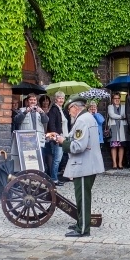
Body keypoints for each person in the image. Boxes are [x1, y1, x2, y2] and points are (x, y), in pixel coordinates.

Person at [49, 96, 104, 238]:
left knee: (83, 198)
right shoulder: (86, 118)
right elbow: (77, 138)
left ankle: (83, 228)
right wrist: (61, 138)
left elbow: (79, 146)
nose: (69, 112)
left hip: (85, 164)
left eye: (69, 109)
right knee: (81, 196)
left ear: (75, 107)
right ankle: (81, 222)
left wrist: (63, 142)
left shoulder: (82, 120)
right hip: (87, 163)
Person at [47, 91, 70, 185]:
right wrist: (56, 137)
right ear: (55, 99)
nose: (61, 100)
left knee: (59, 159)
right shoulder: (54, 110)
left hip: (64, 137)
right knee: (57, 159)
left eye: (62, 98)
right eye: (59, 98)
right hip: (58, 138)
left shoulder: (62, 110)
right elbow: (51, 124)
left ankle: (55, 177)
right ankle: (54, 179)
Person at [107, 93, 128, 169]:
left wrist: (120, 117)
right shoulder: (110, 107)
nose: (117, 100)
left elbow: (126, 115)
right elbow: (112, 115)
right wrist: (121, 117)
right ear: (112, 100)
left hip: (122, 128)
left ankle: (120, 163)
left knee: (121, 146)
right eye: (115, 98)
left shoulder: (124, 107)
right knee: (114, 146)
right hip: (113, 128)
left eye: (118, 98)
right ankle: (114, 163)